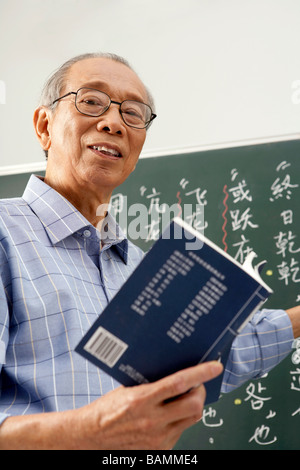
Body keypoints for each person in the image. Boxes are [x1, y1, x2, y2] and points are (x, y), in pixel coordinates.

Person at [0, 52, 299, 450]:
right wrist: (87, 431)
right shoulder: (5, 235)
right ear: (44, 126)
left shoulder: (140, 267)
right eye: (91, 101)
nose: (113, 123)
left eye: (134, 113)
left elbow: (205, 362)